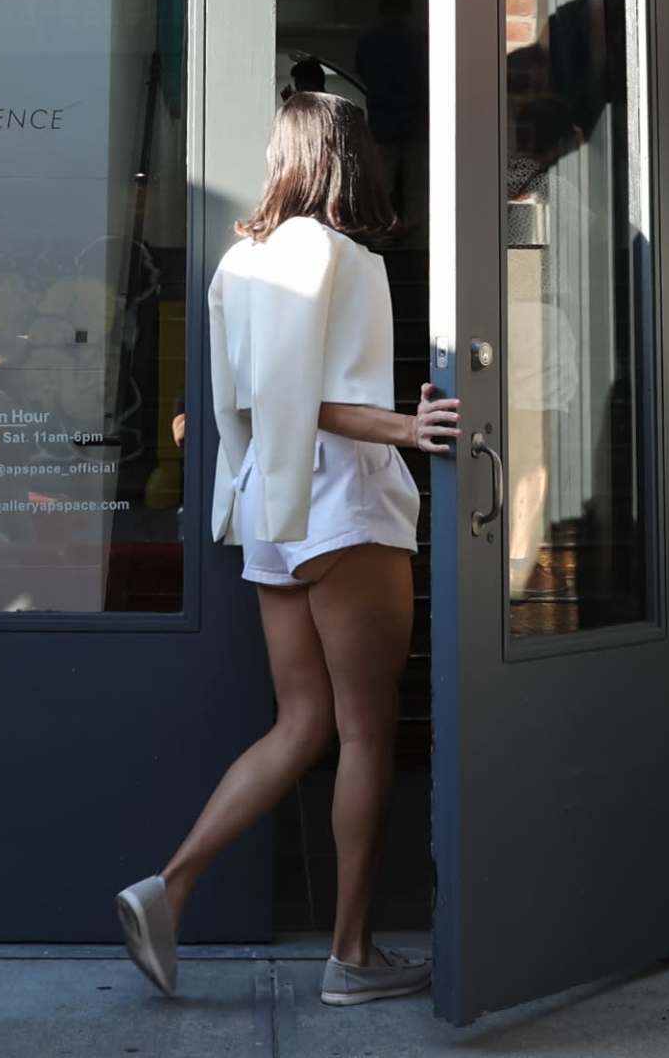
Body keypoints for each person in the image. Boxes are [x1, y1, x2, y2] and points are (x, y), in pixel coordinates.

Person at [114, 93, 457, 1009]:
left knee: (300, 723)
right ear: (352, 158)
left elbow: (243, 409)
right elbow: (303, 396)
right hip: (342, 503)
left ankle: (170, 886)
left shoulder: (240, 261)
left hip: (272, 506)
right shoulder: (344, 256)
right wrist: (409, 425)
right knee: (364, 731)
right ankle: (351, 954)